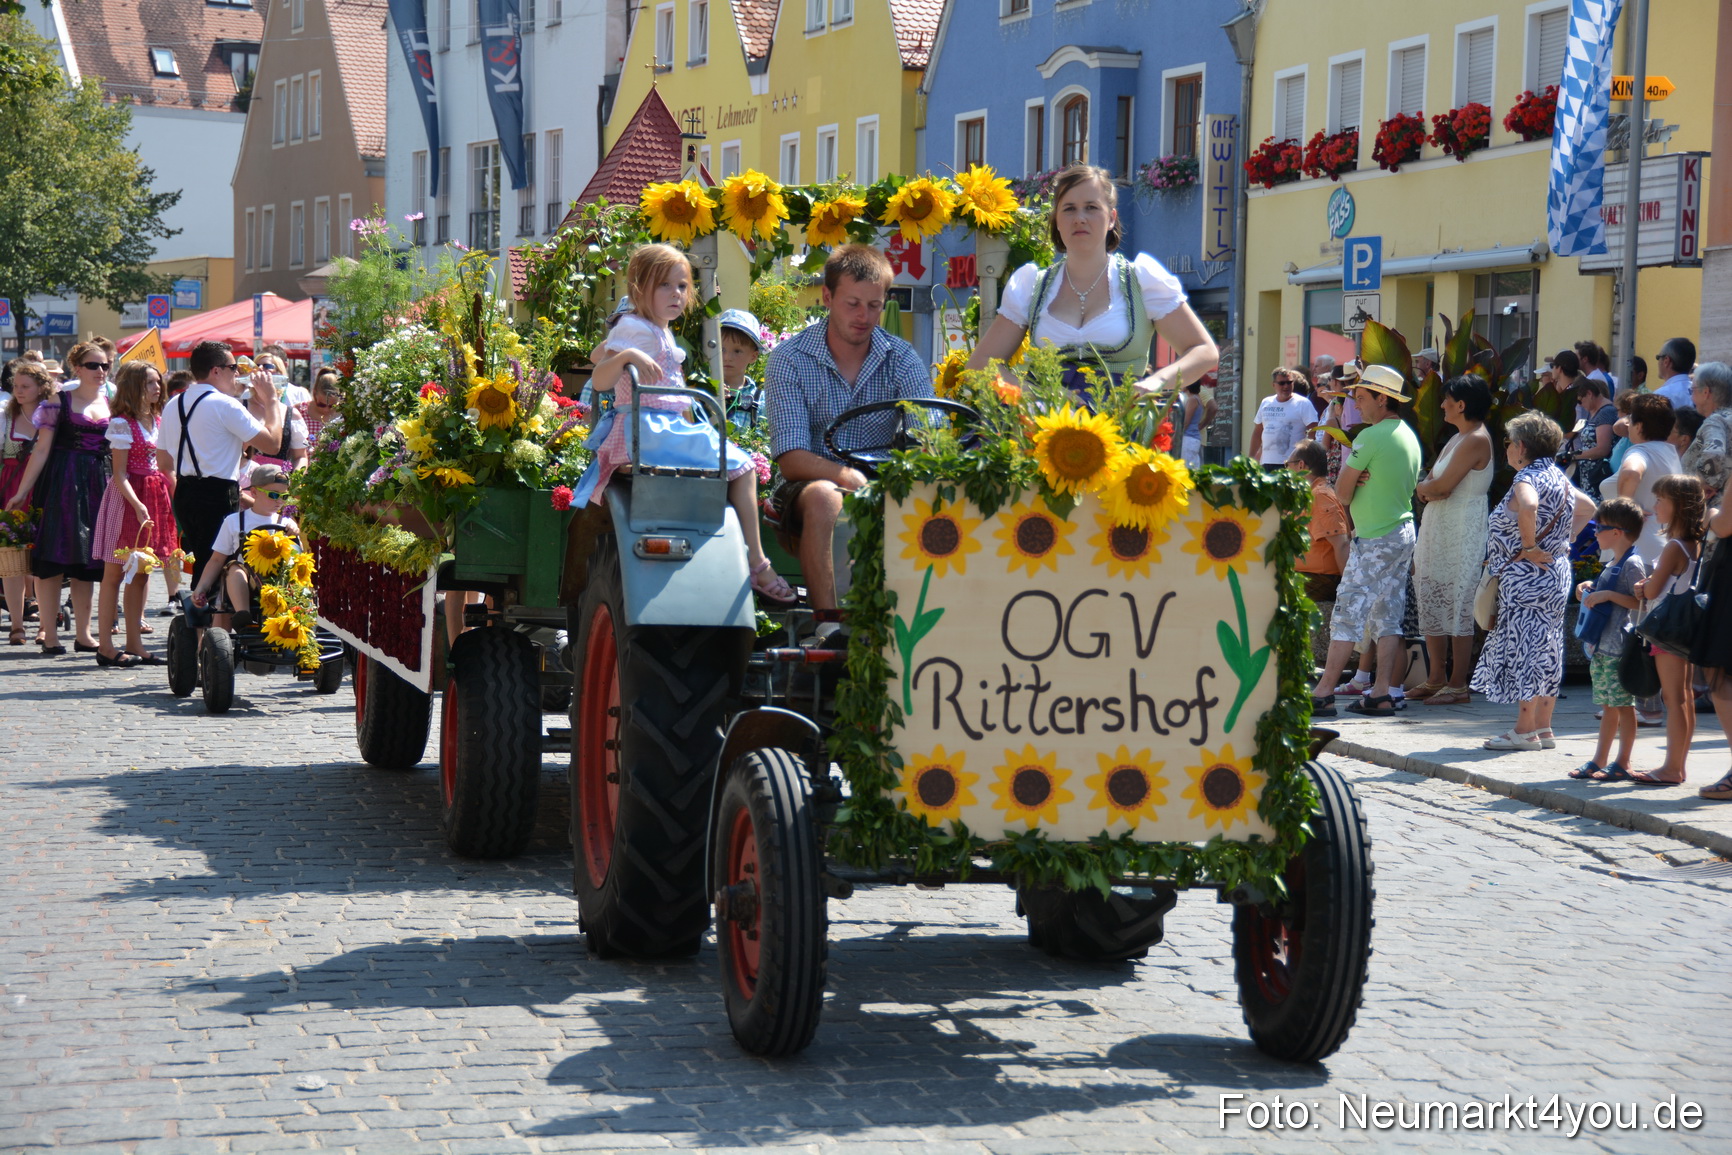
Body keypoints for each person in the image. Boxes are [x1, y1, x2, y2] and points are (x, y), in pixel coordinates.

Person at [577, 243, 795, 605]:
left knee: (733, 462)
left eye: (682, 286)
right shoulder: (639, 330)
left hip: (660, 427)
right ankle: (756, 560)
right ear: (639, 288)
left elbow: (598, 351)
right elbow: (600, 376)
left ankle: (733, 556)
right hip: (650, 432)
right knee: (742, 469)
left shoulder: (650, 328)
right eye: (665, 286)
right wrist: (628, 353)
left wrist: (619, 346)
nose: (676, 294)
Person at [768, 244, 935, 618]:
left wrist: (911, 462)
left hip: (888, 480)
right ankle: (830, 626)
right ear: (827, 297)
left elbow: (929, 433)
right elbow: (792, 460)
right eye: (853, 303)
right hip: (811, 487)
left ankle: (924, 618)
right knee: (827, 497)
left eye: (874, 305)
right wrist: (849, 476)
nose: (864, 316)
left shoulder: (901, 356)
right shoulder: (790, 359)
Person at [968, 163, 1218, 406]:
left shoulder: (1142, 281)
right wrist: (1034, 396)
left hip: (1119, 422)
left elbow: (1204, 351)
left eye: (1091, 207)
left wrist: (1156, 381)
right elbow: (980, 364)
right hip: (1044, 425)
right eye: (1069, 209)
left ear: (1111, 218)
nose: (1080, 218)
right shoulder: (1031, 285)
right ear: (1056, 219)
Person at [1470, 413, 1597, 750]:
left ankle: (1524, 730)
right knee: (1548, 647)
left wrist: (1530, 546)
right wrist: (1561, 542)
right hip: (1554, 574)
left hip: (1526, 579)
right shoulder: (1558, 477)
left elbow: (1528, 505)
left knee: (1526, 648)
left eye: (1510, 442)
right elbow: (1588, 508)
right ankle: (1543, 727)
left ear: (1522, 446)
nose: (1508, 448)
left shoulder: (1526, 478)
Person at [1308, 365, 1423, 719]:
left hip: (1376, 536)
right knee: (1387, 615)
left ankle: (1324, 692)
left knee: (1347, 612)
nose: (1356, 405)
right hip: (1402, 532)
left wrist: (1354, 480)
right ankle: (1382, 693)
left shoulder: (1370, 438)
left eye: (1361, 397)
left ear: (1382, 399)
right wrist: (1359, 480)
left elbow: (1341, 492)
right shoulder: (1407, 434)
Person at [3, 341, 114, 654]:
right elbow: (40, 449)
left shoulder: (110, 400)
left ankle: (84, 633)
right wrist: (23, 490)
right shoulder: (58, 399)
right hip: (62, 482)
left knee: (87, 562)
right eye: (93, 365)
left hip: (98, 483)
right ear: (77, 368)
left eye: (105, 365)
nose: (101, 371)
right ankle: (49, 634)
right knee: (53, 558)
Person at [157, 341, 286, 583]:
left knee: (202, 564)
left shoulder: (174, 404)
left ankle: (199, 617)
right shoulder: (226, 404)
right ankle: (210, 618)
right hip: (218, 493)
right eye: (233, 367)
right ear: (216, 370)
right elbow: (273, 444)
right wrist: (270, 400)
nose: (237, 374)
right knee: (220, 566)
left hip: (185, 493)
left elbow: (163, 461)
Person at [1411, 375, 1495, 706]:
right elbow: (1432, 481)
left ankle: (1458, 683)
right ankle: (1435, 679)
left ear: (1461, 405)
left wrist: (1426, 489)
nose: (1442, 404)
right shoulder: (1457, 438)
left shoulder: (1476, 439)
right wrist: (1427, 488)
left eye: (1447, 399)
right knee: (1432, 594)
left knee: (1459, 601)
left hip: (1462, 529)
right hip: (1439, 528)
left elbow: (1440, 487)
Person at [90, 362, 178, 668]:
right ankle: (105, 645)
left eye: (157, 382)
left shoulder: (156, 420)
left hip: (153, 495)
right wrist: (137, 505)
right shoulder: (122, 424)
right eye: (149, 383)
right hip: (127, 499)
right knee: (113, 573)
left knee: (142, 572)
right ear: (132, 388)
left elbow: (164, 465)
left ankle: (134, 643)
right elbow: (118, 473)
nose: (156, 388)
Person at [1625, 475, 1708, 785]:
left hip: (1666, 631)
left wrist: (1643, 585)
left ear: (1679, 506)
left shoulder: (1674, 545)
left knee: (1673, 698)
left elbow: (1653, 590)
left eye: (1661, 500)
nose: (1655, 505)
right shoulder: (1694, 543)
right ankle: (1677, 764)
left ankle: (1672, 767)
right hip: (1684, 629)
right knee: (1683, 697)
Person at [1567, 498, 1648, 781]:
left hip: (1618, 647)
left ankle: (1623, 761)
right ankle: (1600, 759)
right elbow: (1604, 594)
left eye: (1599, 527)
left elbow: (1641, 603)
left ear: (1617, 531)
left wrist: (1609, 595)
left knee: (1624, 707)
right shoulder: (1612, 561)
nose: (1595, 532)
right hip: (1601, 647)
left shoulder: (1633, 563)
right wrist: (1588, 588)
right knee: (1608, 706)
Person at [188, 466, 298, 631]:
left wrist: (294, 532)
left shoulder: (286, 523)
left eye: (284, 496)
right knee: (234, 567)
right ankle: (243, 614)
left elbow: (298, 558)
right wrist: (201, 587)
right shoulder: (234, 521)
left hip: (278, 581)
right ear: (254, 492)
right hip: (246, 581)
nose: (279, 501)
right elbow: (217, 559)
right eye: (273, 495)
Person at [1, 359, 50, 644]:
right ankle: (16, 624)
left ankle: (45, 624)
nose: (18, 391)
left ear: (41, 388)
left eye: (25, 386)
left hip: (43, 492)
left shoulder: (52, 417)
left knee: (42, 560)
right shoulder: (5, 418)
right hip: (11, 493)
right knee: (10, 559)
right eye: (15, 386)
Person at [1603, 393, 1682, 567]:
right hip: (1661, 544)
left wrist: (1624, 509)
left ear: (1639, 427)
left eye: (1630, 421)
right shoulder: (1670, 453)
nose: (1628, 425)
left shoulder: (1640, 451)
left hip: (1637, 549)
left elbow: (1631, 472)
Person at [1287, 439, 1347, 605]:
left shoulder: (1319, 496)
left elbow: (1341, 544)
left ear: (1300, 465)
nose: (1286, 470)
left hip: (1320, 578)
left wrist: (1348, 591)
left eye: (1287, 464)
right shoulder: (1310, 494)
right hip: (1306, 574)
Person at [1680, 361, 1732, 500]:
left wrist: (1704, 484)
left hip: (1713, 509)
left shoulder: (1715, 421)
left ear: (1706, 392)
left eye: (1693, 390)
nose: (1691, 397)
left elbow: (1714, 453)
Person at [1250, 367, 1315, 471]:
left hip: (1292, 463)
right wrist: (1252, 458)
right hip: (1267, 462)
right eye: (1282, 383)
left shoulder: (1303, 403)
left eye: (1289, 382)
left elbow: (1313, 431)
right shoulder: (1266, 402)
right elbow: (1258, 432)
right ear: (1273, 385)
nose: (1286, 386)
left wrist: (1306, 457)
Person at [717, 309, 767, 431]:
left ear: (753, 356)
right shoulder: (704, 390)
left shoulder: (760, 399)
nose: (727, 358)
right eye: (722, 349)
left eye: (737, 351)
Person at [1570, 374, 1618, 493]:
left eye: (1579, 401)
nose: (1579, 405)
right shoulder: (1597, 412)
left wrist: (1573, 456)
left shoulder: (1606, 413)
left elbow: (1603, 449)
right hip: (1591, 479)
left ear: (1589, 394)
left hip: (1598, 480)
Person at [1178, 376, 1217, 468]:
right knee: (1195, 467)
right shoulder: (1197, 398)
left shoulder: (1192, 399)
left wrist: (1176, 435)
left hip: (1189, 437)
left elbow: (1186, 422)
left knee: (1187, 468)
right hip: (1196, 437)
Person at [1652, 338, 1696, 410]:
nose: (1658, 362)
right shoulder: (1702, 393)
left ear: (1666, 361)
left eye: (1658, 357)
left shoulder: (1659, 397)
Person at [302, 369, 341, 444]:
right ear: (314, 393)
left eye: (332, 406)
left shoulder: (345, 414)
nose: (326, 410)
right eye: (321, 405)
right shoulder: (300, 412)